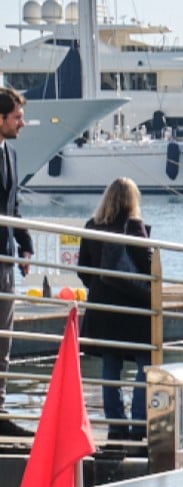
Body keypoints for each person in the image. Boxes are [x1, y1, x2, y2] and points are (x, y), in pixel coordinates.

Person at [78, 177, 154, 441]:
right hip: (133, 309)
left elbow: (83, 269)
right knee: (145, 365)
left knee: (110, 366)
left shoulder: (92, 225)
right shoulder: (134, 226)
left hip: (102, 308)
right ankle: (139, 425)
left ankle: (116, 425)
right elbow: (147, 266)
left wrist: (100, 289)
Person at [0, 87, 34, 438]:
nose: (22, 123)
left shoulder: (9, 153)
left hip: (5, 261)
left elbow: (14, 204)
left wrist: (25, 244)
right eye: (17, 118)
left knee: (4, 337)